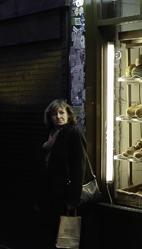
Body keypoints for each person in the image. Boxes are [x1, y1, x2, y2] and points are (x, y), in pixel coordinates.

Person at [36, 99, 89, 245]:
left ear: (68, 114)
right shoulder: (50, 135)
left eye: (61, 113)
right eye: (54, 114)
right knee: (50, 235)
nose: (58, 117)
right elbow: (43, 167)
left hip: (64, 194)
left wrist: (73, 199)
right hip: (49, 195)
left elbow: (79, 167)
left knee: (64, 237)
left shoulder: (73, 135)